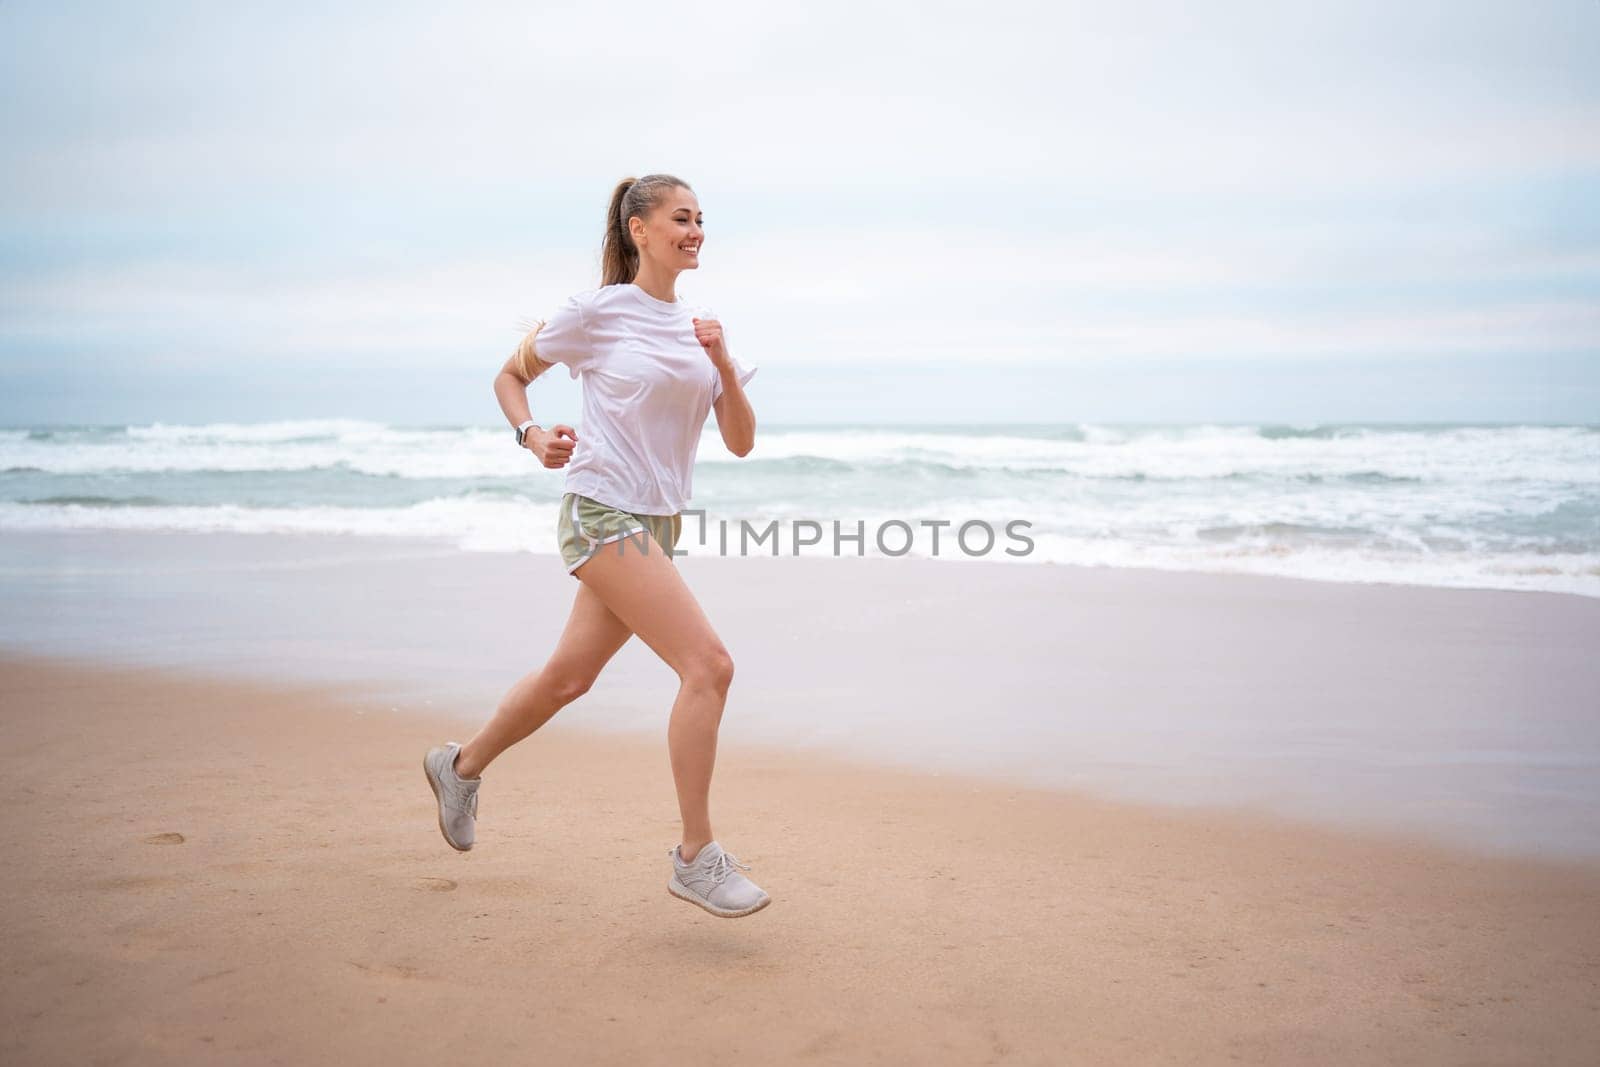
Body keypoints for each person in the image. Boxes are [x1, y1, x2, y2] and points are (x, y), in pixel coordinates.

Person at [422, 174, 769, 918]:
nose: (696, 230)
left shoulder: (701, 330)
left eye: (702, 219)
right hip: (602, 512)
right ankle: (695, 857)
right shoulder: (597, 314)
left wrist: (722, 364)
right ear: (639, 229)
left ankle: (460, 766)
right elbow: (512, 375)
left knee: (567, 678)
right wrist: (533, 434)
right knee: (709, 666)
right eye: (681, 218)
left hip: (659, 524)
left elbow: (739, 441)